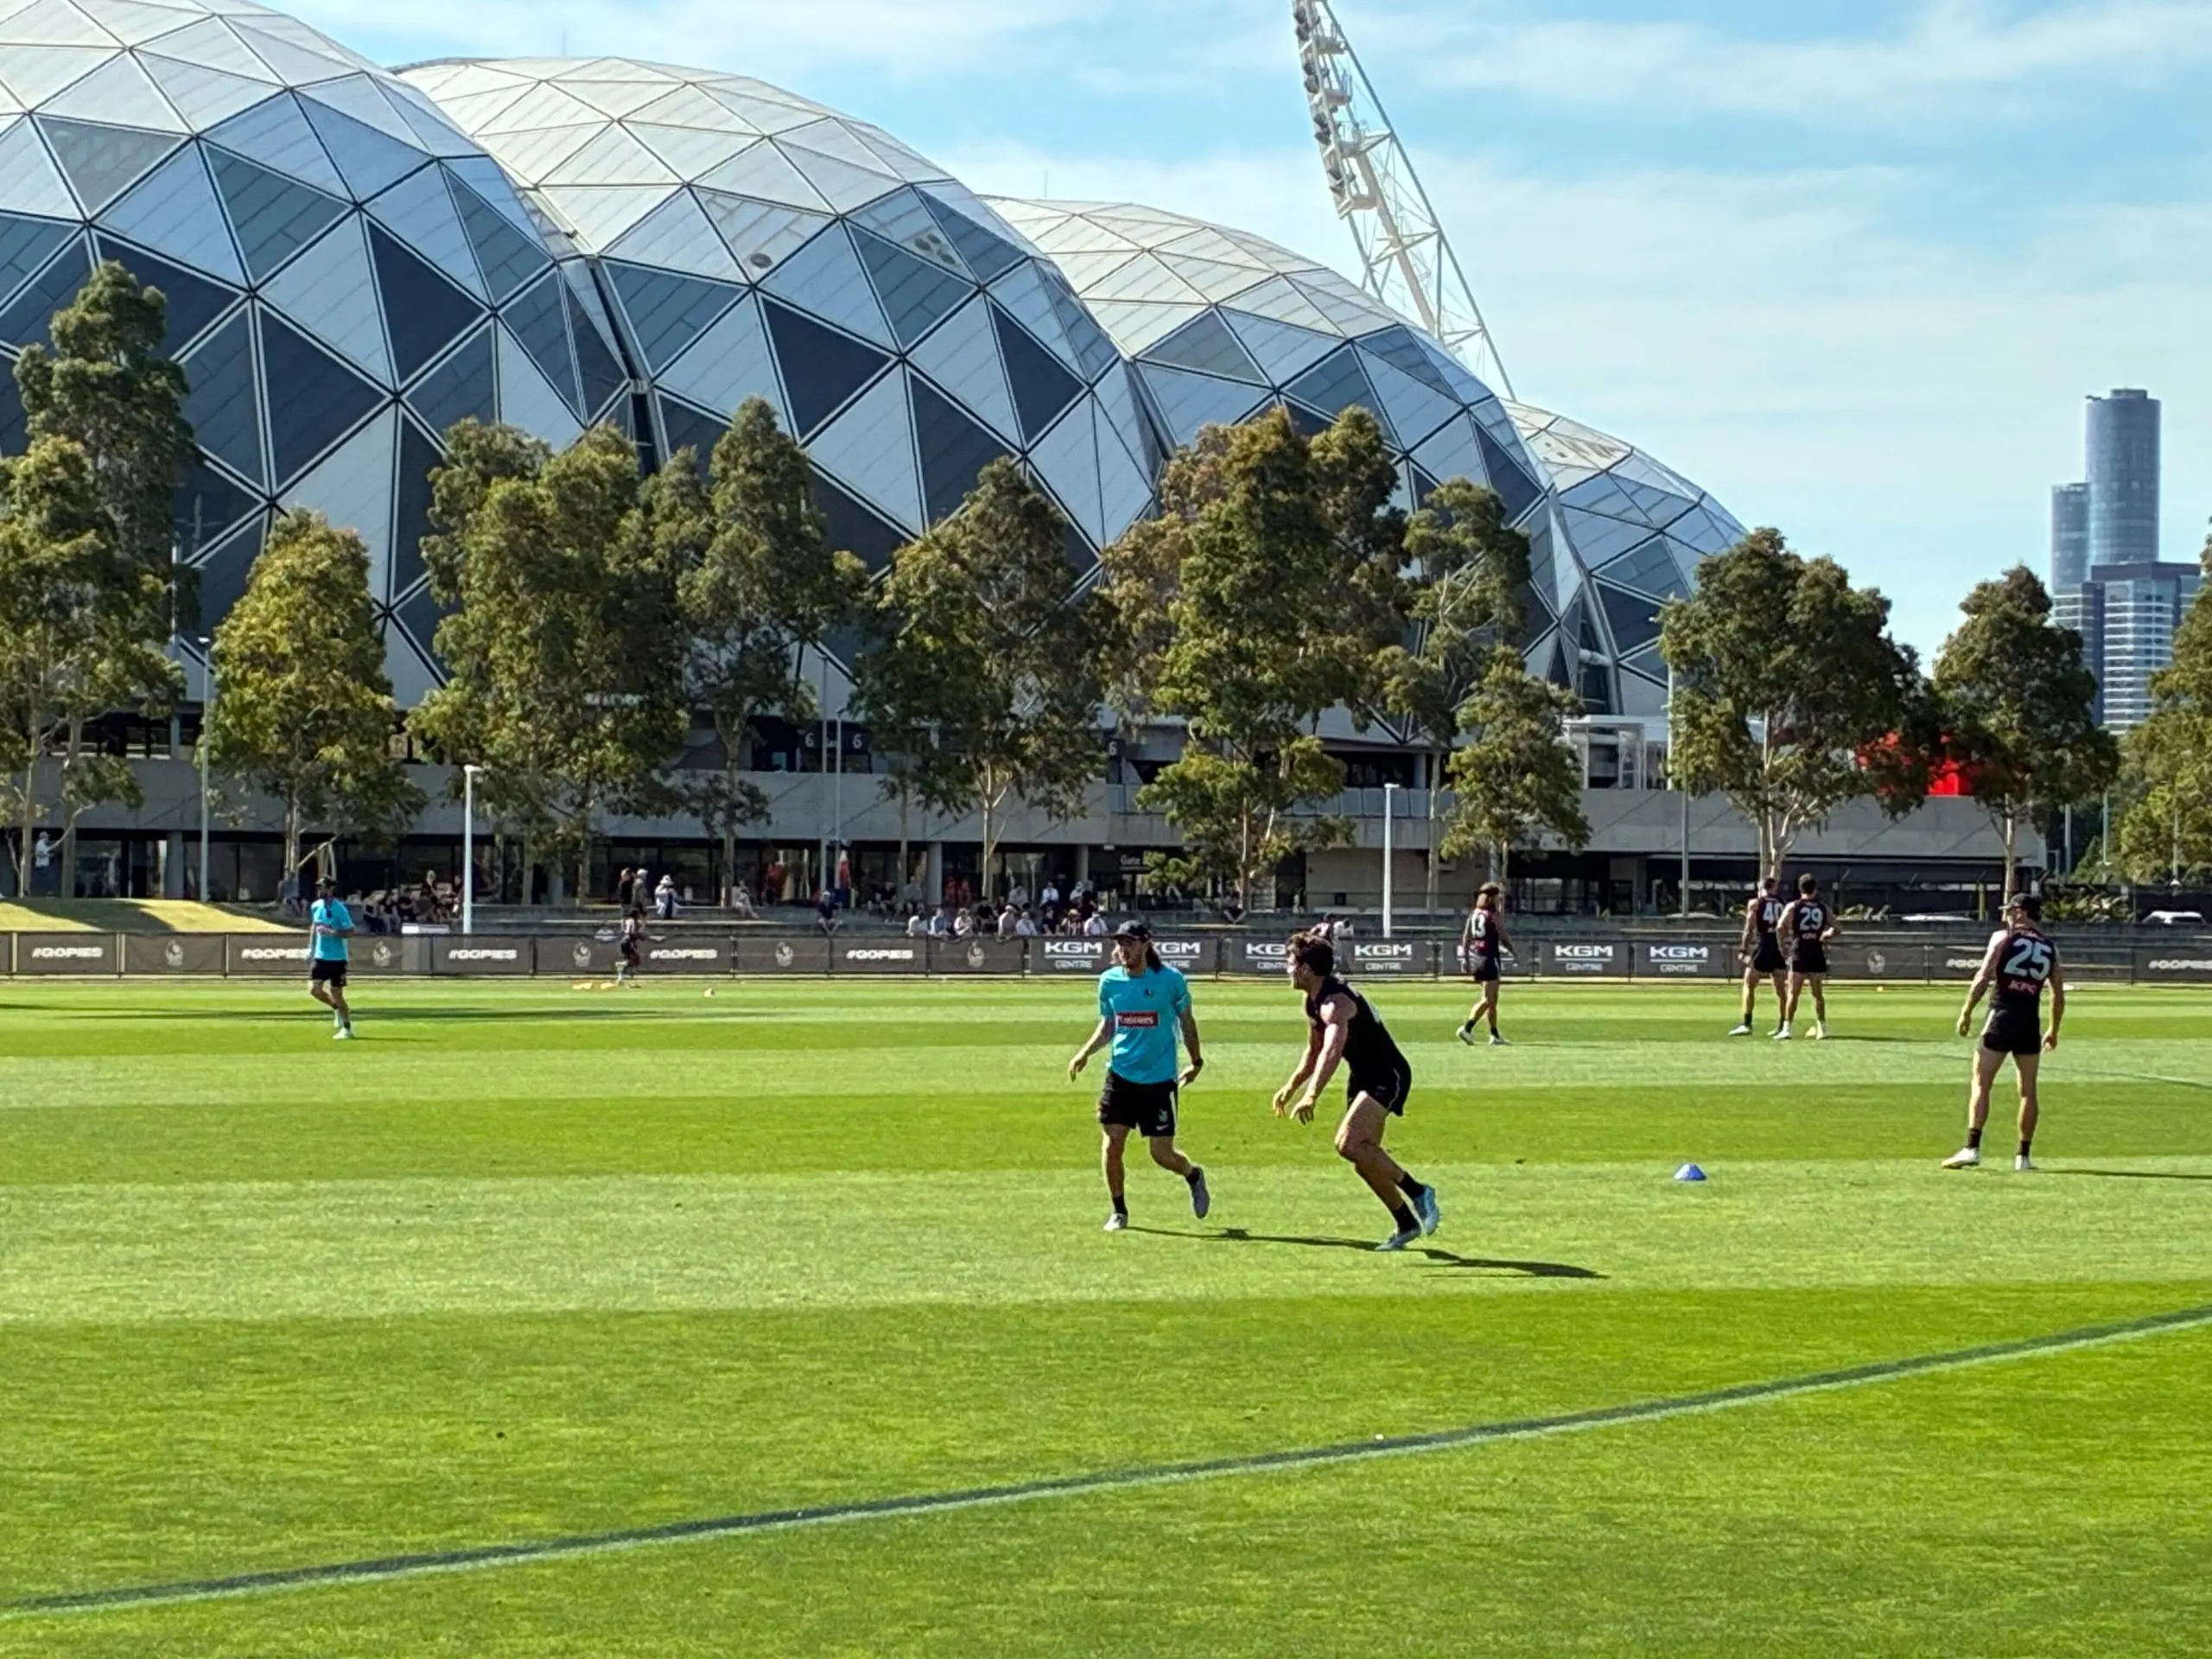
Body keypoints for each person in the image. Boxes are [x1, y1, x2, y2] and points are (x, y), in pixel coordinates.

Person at [1275, 931, 1439, 1251]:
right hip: (1363, 1075)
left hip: (1388, 1073)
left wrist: (1312, 1095)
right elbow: (1314, 1051)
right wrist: (1291, 1086)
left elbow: (1332, 1052)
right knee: (1363, 1156)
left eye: (1291, 963)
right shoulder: (1313, 1001)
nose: (1287, 969)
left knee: (1347, 1144)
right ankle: (1406, 1223)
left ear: (1306, 969)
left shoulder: (1336, 1003)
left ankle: (1419, 1191)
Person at [1067, 919, 1210, 1231]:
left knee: (1161, 1154)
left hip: (1159, 1080)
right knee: (1112, 1143)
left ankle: (1193, 1174)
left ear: (1146, 944)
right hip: (1120, 1076)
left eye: (1129, 943)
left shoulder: (1171, 980)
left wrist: (1196, 1060)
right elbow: (1109, 1024)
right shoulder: (1109, 982)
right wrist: (1085, 1053)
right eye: (1120, 943)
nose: (1123, 949)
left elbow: (1187, 1022)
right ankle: (1119, 1211)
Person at [1944, 894, 2063, 1172]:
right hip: (2029, 1021)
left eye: (2011, 911)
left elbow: (1983, 976)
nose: (2007, 916)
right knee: (2028, 1092)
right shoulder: (2049, 947)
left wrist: (1966, 1011)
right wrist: (2053, 1030)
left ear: (2022, 912)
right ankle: (2023, 1156)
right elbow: (2058, 994)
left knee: (1981, 1083)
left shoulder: (2003, 938)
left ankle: (1972, 1147)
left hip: (2001, 1015)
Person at [1774, 874, 1835, 1040]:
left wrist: (1783, 946)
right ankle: (1822, 1028)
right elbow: (1837, 927)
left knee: (1793, 993)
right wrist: (1825, 935)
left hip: (1799, 950)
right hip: (1816, 951)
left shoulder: (1793, 906)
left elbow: (1780, 927)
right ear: (1815, 889)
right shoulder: (1822, 907)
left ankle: (1787, 1028)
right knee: (1817, 993)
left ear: (1800, 888)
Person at [1729, 876, 1789, 1037]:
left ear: (1761, 888)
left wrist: (1743, 949)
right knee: (1780, 989)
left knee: (1749, 984)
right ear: (1774, 888)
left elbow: (1749, 929)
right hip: (1777, 948)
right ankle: (1783, 1025)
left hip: (1763, 946)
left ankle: (1747, 1023)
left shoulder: (1755, 904)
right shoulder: (1783, 904)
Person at [1455, 883, 1513, 1046]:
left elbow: (1466, 936)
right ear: (1493, 897)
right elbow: (1502, 935)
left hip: (1477, 957)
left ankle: (1494, 1035)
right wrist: (1514, 951)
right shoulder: (1492, 914)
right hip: (1489, 958)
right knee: (1488, 999)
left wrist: (1466, 959)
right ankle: (1467, 1028)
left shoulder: (1475, 913)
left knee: (1493, 1000)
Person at [308, 877, 356, 1039]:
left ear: (330, 889)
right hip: (320, 956)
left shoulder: (340, 909)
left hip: (337, 958)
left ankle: (347, 1028)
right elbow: (314, 926)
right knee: (314, 989)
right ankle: (336, 1008)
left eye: (321, 887)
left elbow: (351, 931)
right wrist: (311, 946)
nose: (319, 890)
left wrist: (334, 933)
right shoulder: (315, 906)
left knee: (337, 993)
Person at [616, 906, 651, 986]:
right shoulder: (631, 921)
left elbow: (629, 930)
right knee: (635, 959)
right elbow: (630, 933)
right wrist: (638, 936)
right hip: (627, 942)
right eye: (638, 915)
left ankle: (621, 976)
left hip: (625, 942)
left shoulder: (630, 921)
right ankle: (623, 968)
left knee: (633, 959)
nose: (639, 916)